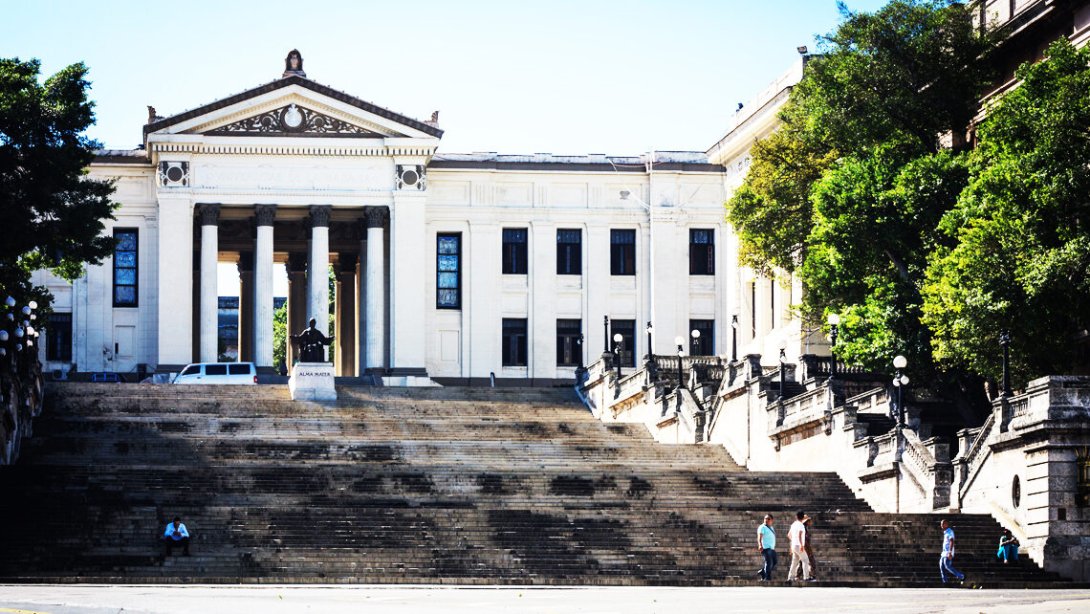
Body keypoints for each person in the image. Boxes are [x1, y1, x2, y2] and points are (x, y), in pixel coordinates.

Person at [787, 510, 813, 582]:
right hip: (799, 545)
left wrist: (793, 542)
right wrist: (801, 545)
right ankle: (806, 577)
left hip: (794, 545)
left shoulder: (793, 524)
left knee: (795, 561)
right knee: (805, 560)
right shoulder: (801, 525)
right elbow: (799, 535)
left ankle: (790, 577)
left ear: (796, 517)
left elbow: (789, 535)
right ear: (803, 517)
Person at [794, 514, 817, 580]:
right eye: (809, 521)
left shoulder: (805, 528)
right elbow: (803, 539)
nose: (810, 522)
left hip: (805, 548)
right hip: (805, 548)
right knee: (811, 562)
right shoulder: (803, 528)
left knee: (802, 563)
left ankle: (797, 576)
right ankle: (810, 576)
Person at [756, 514, 777, 582]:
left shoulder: (771, 528)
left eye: (768, 519)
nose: (766, 520)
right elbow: (760, 537)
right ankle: (767, 578)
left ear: (772, 520)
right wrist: (760, 545)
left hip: (771, 548)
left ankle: (763, 571)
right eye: (765, 518)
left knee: (774, 562)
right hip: (765, 548)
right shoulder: (762, 527)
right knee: (768, 562)